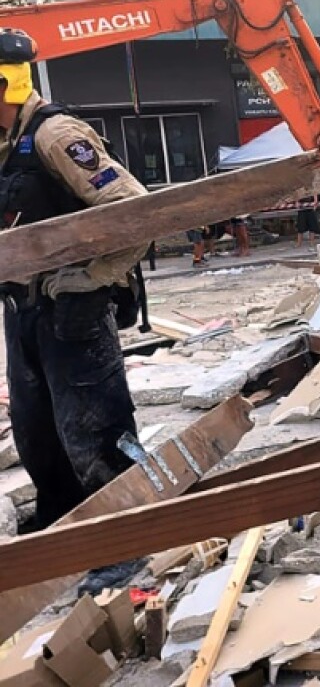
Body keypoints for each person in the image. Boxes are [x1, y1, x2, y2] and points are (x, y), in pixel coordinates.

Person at [0, 29, 150, 539]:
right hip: (21, 309)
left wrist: (89, 277)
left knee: (95, 433)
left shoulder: (56, 136)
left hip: (74, 309)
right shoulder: (2, 145)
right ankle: (61, 535)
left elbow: (133, 211)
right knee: (37, 435)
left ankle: (127, 538)